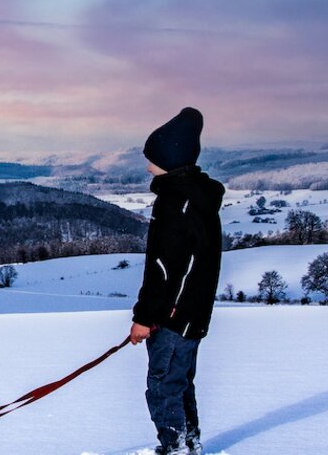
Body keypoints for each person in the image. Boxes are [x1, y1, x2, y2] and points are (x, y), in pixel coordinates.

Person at [127, 107, 224, 455]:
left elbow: (163, 270)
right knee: (180, 383)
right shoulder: (197, 198)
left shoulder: (175, 204)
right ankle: (188, 444)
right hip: (192, 315)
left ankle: (176, 448)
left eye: (151, 157)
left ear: (170, 157)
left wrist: (144, 317)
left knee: (163, 385)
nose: (147, 164)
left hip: (173, 317)